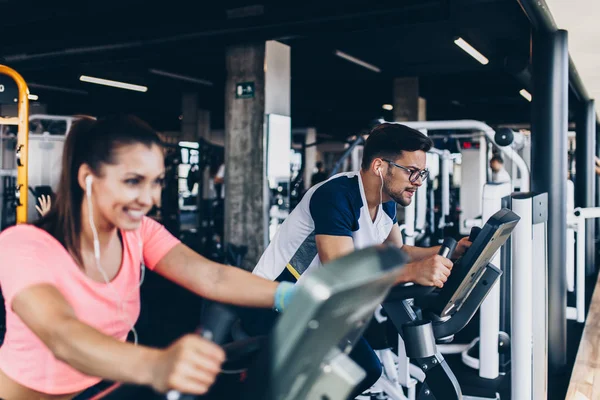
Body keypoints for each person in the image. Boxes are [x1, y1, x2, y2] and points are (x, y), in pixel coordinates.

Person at [0, 115, 295, 400]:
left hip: (103, 391)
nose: (150, 198)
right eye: (133, 181)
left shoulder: (137, 233)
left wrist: (290, 295)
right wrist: (157, 365)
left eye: (156, 182)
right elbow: (61, 334)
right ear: (87, 177)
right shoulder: (24, 246)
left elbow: (211, 276)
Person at [248, 123, 471, 398]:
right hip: (275, 304)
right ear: (380, 166)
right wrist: (414, 272)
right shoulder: (336, 196)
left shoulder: (386, 201)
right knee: (358, 367)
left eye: (421, 173)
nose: (418, 181)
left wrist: (446, 251)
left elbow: (398, 252)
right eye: (411, 172)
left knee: (364, 369)